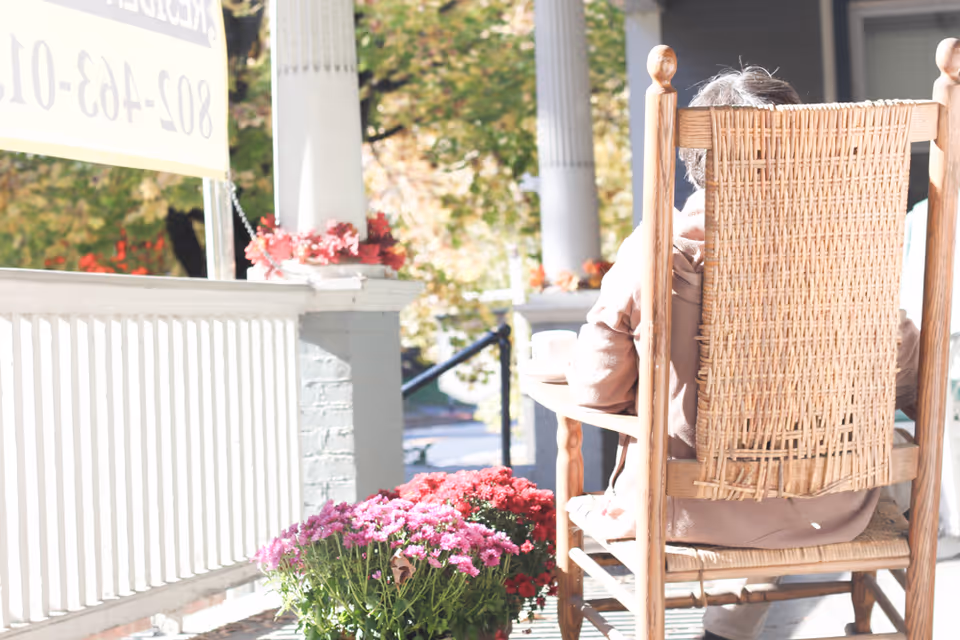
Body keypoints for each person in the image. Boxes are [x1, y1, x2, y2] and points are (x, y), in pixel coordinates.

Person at [566, 67, 921, 640]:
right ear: (798, 145)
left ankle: (726, 624)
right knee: (863, 455)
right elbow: (907, 376)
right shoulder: (845, 249)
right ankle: (733, 625)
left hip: (689, 504)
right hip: (830, 502)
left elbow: (596, 392)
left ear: (695, 158)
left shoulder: (655, 249)